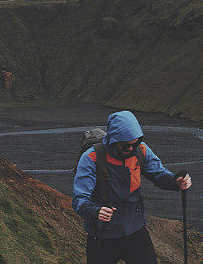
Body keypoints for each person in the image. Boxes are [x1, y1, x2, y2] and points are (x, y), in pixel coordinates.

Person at [72, 110, 192, 264]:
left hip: (135, 230)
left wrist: (176, 181)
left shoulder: (140, 150)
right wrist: (96, 211)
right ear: (114, 140)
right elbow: (79, 200)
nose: (131, 148)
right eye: (127, 145)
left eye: (135, 143)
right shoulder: (91, 158)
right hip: (102, 235)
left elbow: (159, 174)